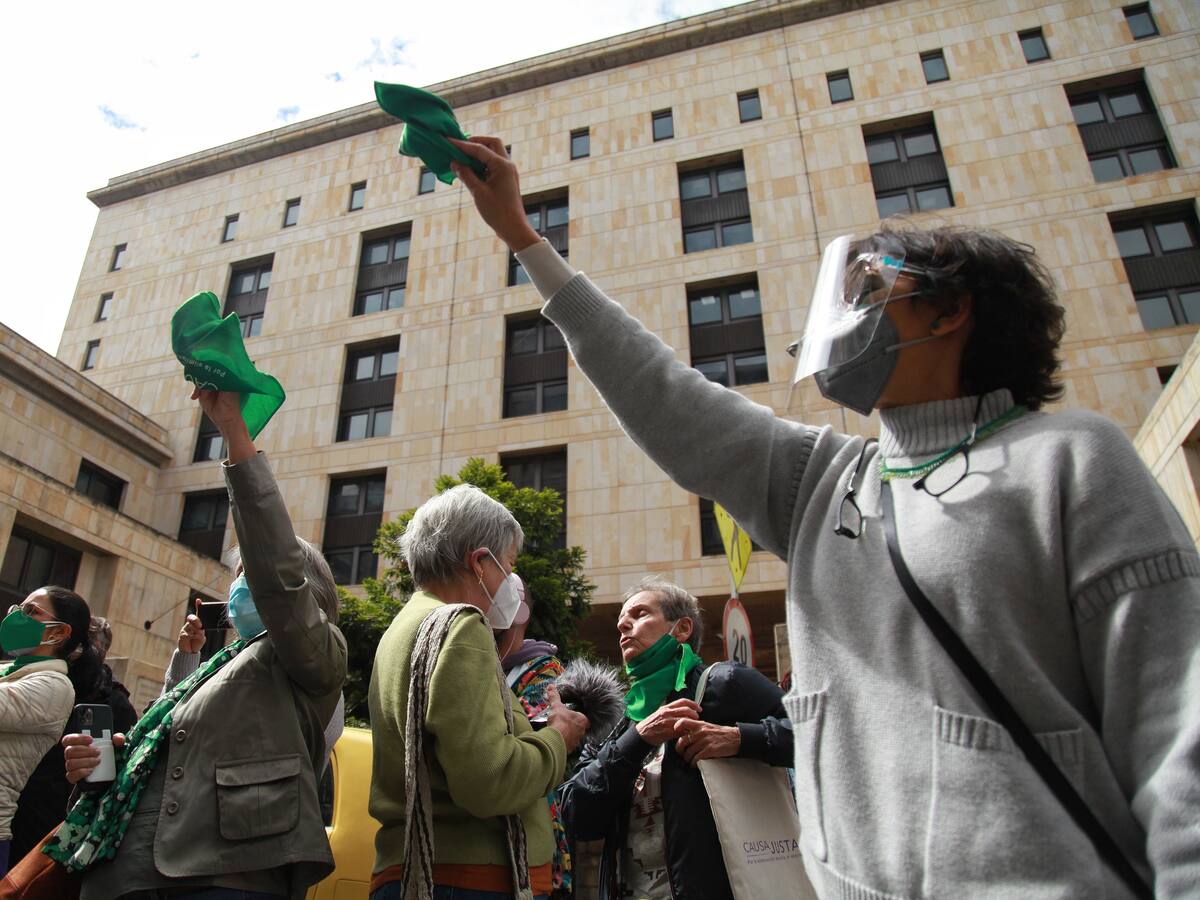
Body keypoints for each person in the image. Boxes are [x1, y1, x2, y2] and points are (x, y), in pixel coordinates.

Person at [450, 137, 1200, 897]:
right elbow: (662, 393)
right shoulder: (824, 480)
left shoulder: (1072, 458)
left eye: (872, 285)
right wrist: (524, 237)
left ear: (948, 312)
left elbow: (1179, 729)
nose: (847, 309)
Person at [54, 386, 347, 900]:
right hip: (123, 874)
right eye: (236, 573)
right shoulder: (219, 667)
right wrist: (106, 763)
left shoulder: (311, 658)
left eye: (250, 572)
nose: (239, 585)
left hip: (223, 876)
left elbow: (277, 576)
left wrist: (234, 432)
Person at [368, 484, 589, 900]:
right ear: (482, 562)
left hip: (417, 871)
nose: (512, 578)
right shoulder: (461, 625)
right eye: (510, 563)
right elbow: (490, 780)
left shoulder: (401, 629)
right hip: (470, 879)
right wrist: (559, 737)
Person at [558, 577, 791, 899]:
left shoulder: (725, 684)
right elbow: (576, 816)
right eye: (621, 621)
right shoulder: (615, 722)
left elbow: (815, 735)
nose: (624, 624)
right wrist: (638, 738)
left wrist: (740, 739)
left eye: (639, 614)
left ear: (681, 629)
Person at [9, 615, 137, 864]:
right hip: (17, 802)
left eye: (91, 645)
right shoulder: (45, 679)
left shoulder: (113, 702)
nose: (84, 651)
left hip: (55, 822)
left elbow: (111, 776)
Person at [0, 587, 91, 874]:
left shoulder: (54, 686)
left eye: (31, 612)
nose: (16, 617)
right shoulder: (8, 672)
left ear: (58, 632)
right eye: (18, 608)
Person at [494, 590, 572, 898]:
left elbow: (530, 742)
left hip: (529, 849)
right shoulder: (483, 661)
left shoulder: (544, 672)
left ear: (520, 612)